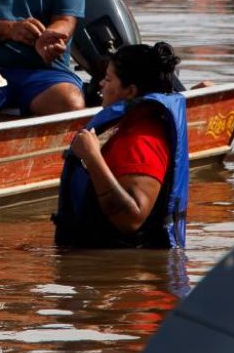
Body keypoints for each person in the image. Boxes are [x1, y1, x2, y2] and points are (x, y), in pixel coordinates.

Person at [53, 42, 189, 249]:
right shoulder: (138, 127)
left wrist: (93, 158)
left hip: (124, 269)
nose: (101, 85)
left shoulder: (141, 142)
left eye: (108, 79)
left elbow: (131, 219)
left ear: (130, 91)